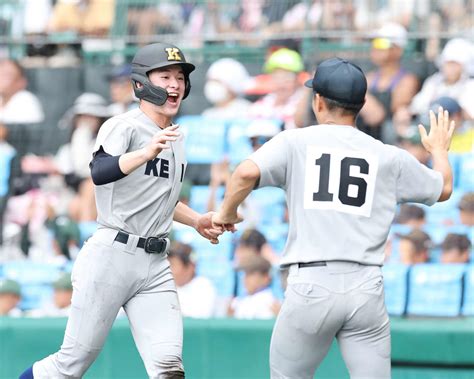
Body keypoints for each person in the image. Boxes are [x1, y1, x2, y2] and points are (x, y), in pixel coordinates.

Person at [212, 57, 454, 378]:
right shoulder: (387, 155)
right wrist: (438, 149)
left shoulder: (295, 141)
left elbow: (243, 173)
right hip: (366, 286)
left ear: (318, 102)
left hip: (312, 282)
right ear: (361, 104)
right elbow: (444, 189)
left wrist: (227, 213)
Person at [19, 42, 225, 379]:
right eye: (165, 76)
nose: (175, 84)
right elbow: (99, 171)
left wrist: (197, 219)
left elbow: (160, 198)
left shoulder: (175, 136)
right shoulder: (124, 125)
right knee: (69, 366)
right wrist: (144, 153)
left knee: (169, 370)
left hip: (156, 263)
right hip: (112, 255)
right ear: (143, 81)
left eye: (179, 77)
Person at [358, 22, 419, 142]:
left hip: (389, 144)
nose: (375, 48)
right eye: (374, 43)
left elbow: (387, 114)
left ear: (398, 50)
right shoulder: (369, 77)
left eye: (381, 43)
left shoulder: (407, 80)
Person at [168, 241, 217, 319]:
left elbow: (198, 321)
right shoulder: (165, 287)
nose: (168, 270)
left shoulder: (204, 286)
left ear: (190, 267)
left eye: (172, 265)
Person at [229, 254, 279, 319]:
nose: (245, 279)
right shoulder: (238, 301)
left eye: (250, 274)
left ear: (266, 278)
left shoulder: (269, 303)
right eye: (245, 273)